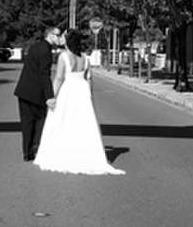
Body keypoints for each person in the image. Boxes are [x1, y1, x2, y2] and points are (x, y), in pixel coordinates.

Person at [33, 29, 125, 175]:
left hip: (68, 90)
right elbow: (89, 78)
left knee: (64, 120)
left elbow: (59, 78)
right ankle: (84, 152)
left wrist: (52, 97)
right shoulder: (85, 58)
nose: (61, 38)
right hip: (82, 90)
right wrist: (89, 95)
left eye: (63, 36)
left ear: (68, 40)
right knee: (83, 122)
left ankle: (65, 152)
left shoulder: (64, 57)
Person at [13, 26, 61, 161]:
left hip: (23, 90)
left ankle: (26, 152)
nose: (59, 38)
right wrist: (50, 96)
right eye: (57, 35)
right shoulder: (46, 51)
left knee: (26, 123)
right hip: (36, 93)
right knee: (39, 122)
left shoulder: (35, 47)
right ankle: (35, 148)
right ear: (50, 35)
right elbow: (44, 75)